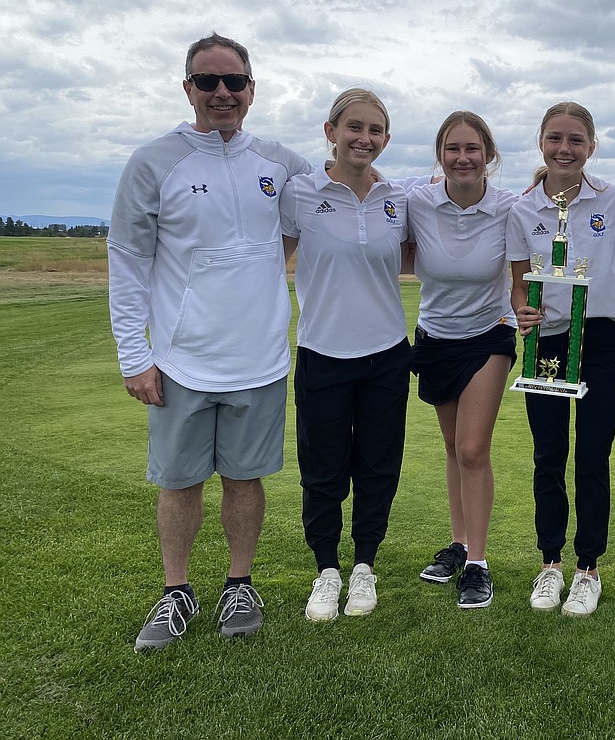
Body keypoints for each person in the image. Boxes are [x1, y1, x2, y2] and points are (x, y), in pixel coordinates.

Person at [108, 33, 311, 651]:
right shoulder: (154, 161)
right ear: (188, 87)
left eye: (233, 82)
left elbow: (320, 213)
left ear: (252, 88)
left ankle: (239, 584)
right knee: (180, 482)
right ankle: (176, 593)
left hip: (260, 358)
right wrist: (134, 355)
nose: (221, 93)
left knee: (246, 481)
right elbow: (127, 258)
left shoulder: (281, 162)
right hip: (179, 361)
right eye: (207, 82)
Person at [279, 88, 412, 621]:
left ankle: (364, 567)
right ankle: (326, 571)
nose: (365, 138)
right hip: (322, 351)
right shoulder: (298, 193)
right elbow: (273, 260)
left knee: (378, 464)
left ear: (385, 139)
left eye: (375, 130)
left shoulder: (397, 199)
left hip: (386, 353)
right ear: (330, 131)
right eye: (354, 127)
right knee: (323, 467)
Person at [507, 103, 615, 617]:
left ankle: (588, 569)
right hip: (546, 343)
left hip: (601, 337)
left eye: (576, 140)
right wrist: (522, 309)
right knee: (548, 454)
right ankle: (550, 562)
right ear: (542, 142)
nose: (565, 149)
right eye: (556, 138)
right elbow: (519, 282)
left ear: (591, 146)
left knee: (593, 456)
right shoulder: (523, 209)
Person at [409, 111, 517, 609]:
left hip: (489, 336)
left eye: (472, 148)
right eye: (453, 149)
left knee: (473, 449)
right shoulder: (418, 202)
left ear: (488, 156)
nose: (463, 158)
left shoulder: (508, 208)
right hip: (435, 338)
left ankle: (478, 563)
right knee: (454, 449)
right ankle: (458, 544)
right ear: (440, 156)